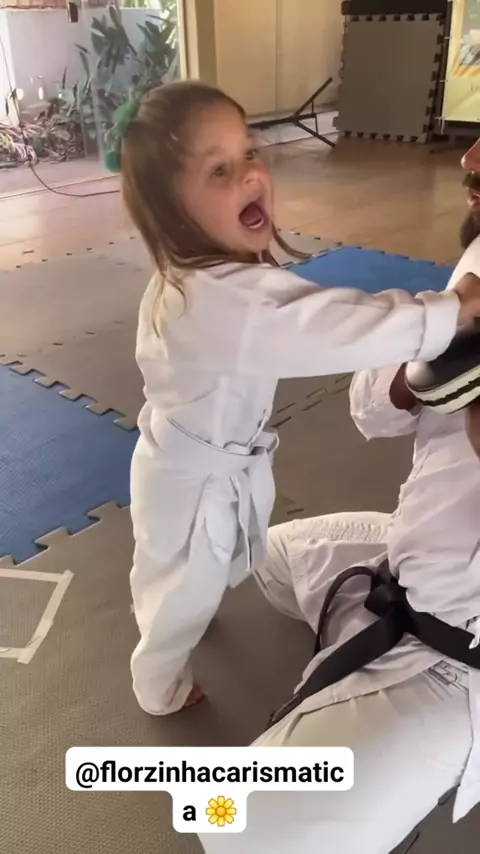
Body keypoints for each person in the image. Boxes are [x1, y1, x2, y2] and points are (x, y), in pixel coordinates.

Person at [112, 80, 480, 717]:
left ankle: (189, 599)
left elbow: (301, 312)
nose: (250, 174)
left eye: (249, 152)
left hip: (212, 461)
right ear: (172, 208)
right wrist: (448, 311)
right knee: (178, 587)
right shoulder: (209, 304)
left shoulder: (220, 280)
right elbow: (334, 326)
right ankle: (158, 683)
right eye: (219, 170)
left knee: (208, 560)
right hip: (191, 477)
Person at [198, 137, 480, 854]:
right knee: (260, 556)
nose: (471, 161)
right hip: (412, 563)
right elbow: (368, 407)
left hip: (462, 660)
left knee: (230, 823)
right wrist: (422, 366)